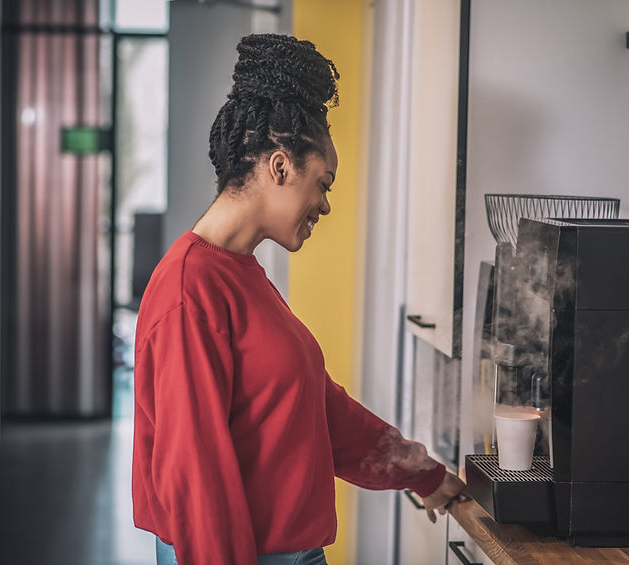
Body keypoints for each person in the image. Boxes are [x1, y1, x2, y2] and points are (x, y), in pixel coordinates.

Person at [132, 33, 468, 565]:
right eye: (323, 183)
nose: (325, 205)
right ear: (280, 167)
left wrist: (422, 473)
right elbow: (196, 481)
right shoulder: (189, 290)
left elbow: (315, 409)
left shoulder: (242, 275)